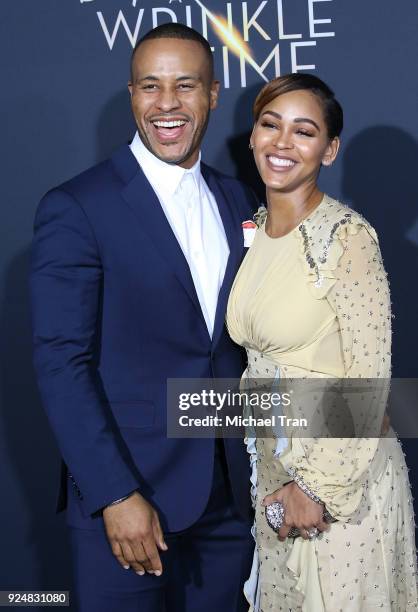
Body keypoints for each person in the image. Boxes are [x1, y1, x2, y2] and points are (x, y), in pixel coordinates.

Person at [30, 23, 258, 612]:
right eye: (150, 86)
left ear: (212, 94)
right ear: (131, 94)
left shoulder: (237, 200)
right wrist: (115, 494)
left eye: (186, 85)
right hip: (127, 502)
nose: (167, 104)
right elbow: (61, 362)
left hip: (229, 502)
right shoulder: (79, 206)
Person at [226, 73, 418, 611]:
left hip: (339, 490)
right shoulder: (257, 230)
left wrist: (317, 490)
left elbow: (369, 382)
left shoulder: (347, 237)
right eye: (270, 124)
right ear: (252, 137)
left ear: (330, 150)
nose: (282, 143)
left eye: (304, 131)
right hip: (273, 480)